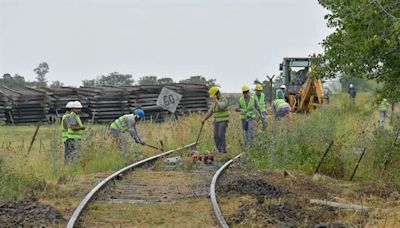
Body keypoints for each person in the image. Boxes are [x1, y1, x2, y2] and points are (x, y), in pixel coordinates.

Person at [202, 86, 229, 153]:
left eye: (213, 95)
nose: (212, 97)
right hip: (216, 121)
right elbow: (210, 112)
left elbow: (221, 107)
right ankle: (219, 150)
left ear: (217, 94)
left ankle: (223, 150)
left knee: (221, 135)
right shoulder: (214, 103)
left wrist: (216, 100)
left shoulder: (224, 100)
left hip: (223, 121)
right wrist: (204, 119)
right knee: (215, 136)